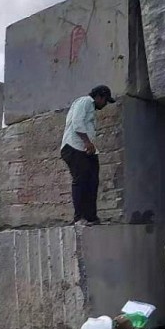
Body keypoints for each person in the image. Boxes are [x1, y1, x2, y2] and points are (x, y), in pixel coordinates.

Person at [61, 85, 115, 225]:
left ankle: (91, 217)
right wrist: (87, 142)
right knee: (81, 180)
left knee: (92, 181)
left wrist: (89, 145)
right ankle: (79, 217)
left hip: (86, 149)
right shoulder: (85, 101)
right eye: (105, 100)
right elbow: (77, 123)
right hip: (74, 147)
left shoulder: (90, 107)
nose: (105, 104)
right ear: (99, 96)